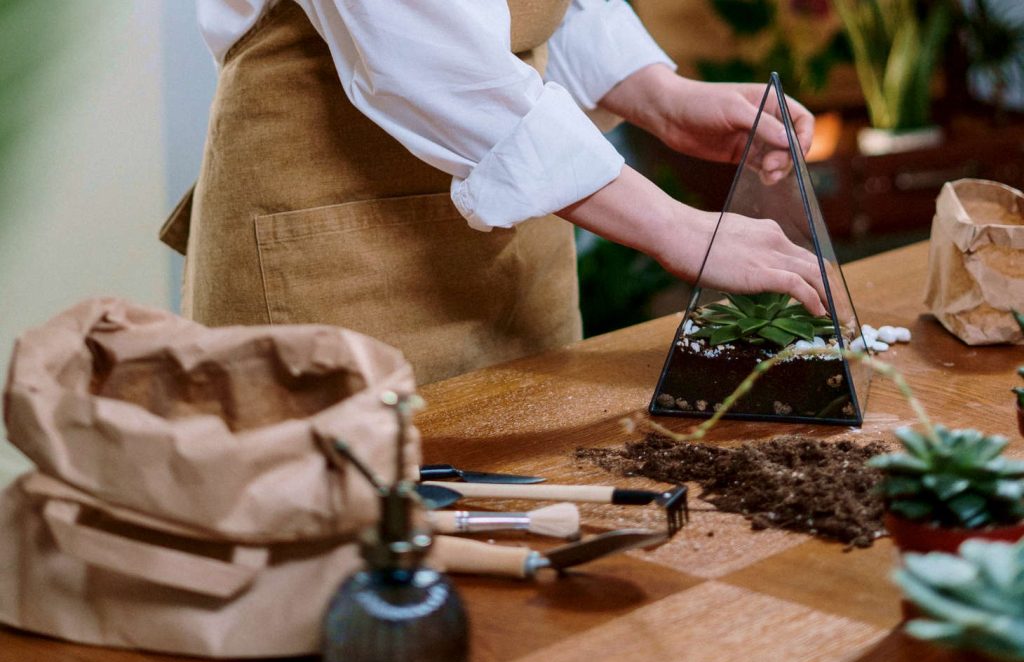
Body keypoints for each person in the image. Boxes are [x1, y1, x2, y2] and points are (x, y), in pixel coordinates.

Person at [161, 0, 825, 385]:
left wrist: (662, 96)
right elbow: (424, 51)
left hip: (512, 269)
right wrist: (676, 226)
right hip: (328, 256)